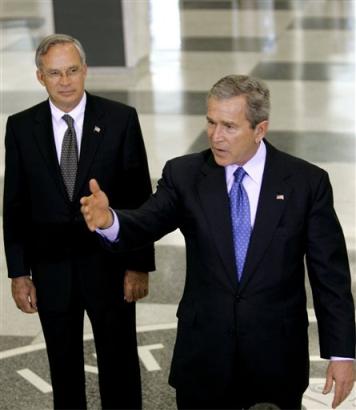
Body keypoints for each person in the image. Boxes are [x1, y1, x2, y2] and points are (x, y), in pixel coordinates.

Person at [80, 74, 356, 410]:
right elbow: (147, 221)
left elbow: (330, 277)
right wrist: (111, 221)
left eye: (229, 126)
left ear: (260, 129)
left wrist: (342, 353)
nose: (215, 136)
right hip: (204, 359)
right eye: (211, 122)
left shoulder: (306, 183)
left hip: (276, 358)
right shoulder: (184, 175)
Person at [3, 33, 155, 410]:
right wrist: (19, 272)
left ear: (85, 70)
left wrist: (138, 266)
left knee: (119, 365)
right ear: (40, 77)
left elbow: (139, 199)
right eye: (55, 73)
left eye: (72, 70)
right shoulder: (21, 127)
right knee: (63, 368)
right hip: (51, 271)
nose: (65, 81)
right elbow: (15, 203)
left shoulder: (120, 120)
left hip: (109, 268)